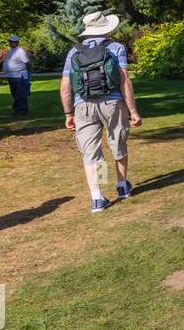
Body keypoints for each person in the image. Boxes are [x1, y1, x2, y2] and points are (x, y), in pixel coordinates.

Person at [60, 12, 142, 212]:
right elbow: (124, 81)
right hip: (112, 103)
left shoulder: (74, 51)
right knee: (117, 142)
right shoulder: (116, 48)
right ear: (107, 29)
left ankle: (97, 197)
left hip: (83, 105)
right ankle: (122, 186)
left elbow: (65, 85)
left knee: (91, 150)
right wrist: (133, 111)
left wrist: (68, 114)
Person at [2, 35, 31, 116]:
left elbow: (27, 63)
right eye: (10, 41)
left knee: (20, 93)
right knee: (15, 94)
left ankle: (22, 110)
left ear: (17, 42)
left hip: (19, 76)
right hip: (11, 76)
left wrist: (28, 72)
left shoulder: (20, 51)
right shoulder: (11, 51)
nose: (11, 43)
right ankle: (17, 109)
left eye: (13, 42)